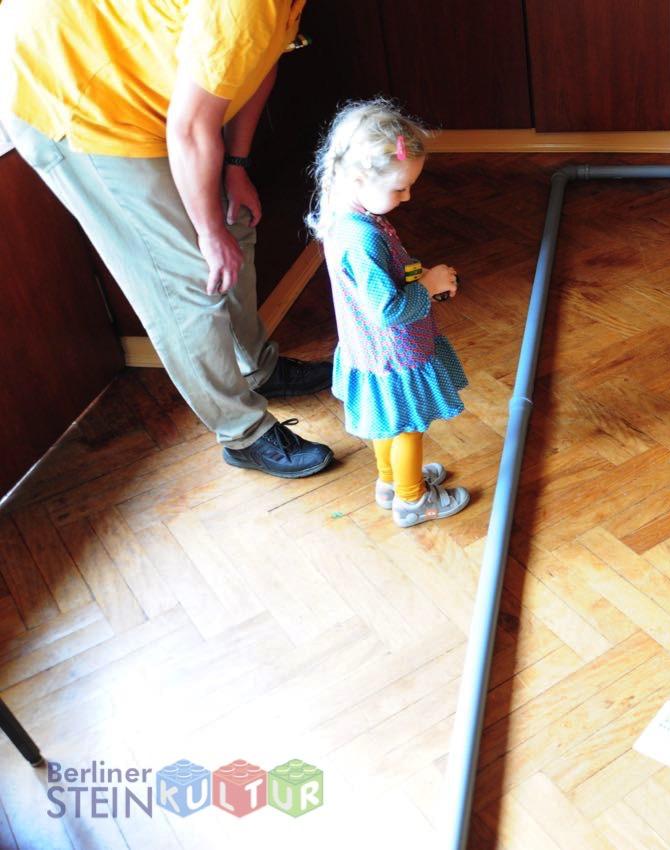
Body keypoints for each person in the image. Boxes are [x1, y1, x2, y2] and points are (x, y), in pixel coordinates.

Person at [0, 0, 334, 478]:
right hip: (69, 91)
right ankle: (242, 432)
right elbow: (190, 128)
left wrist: (236, 167)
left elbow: (260, 62)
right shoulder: (244, 5)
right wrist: (207, 232)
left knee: (235, 218)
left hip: (140, 81)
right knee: (186, 275)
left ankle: (258, 368)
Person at [308, 100, 470, 527]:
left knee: (387, 422)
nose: (408, 196)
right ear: (359, 179)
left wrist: (418, 275)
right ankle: (412, 500)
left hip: (370, 352)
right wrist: (428, 286)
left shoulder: (349, 218)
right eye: (400, 188)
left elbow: (383, 280)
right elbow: (388, 309)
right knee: (408, 427)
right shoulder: (362, 238)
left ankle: (391, 481)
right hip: (395, 352)